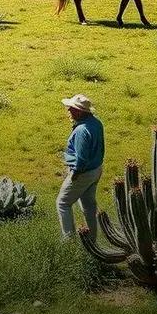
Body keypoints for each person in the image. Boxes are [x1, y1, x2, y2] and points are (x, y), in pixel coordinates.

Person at [57, 94, 104, 238]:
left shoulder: (81, 130)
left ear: (79, 111)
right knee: (89, 206)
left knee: (63, 203)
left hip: (83, 172)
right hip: (96, 169)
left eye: (71, 108)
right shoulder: (96, 123)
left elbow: (82, 158)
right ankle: (92, 241)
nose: (68, 111)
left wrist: (75, 174)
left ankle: (68, 241)